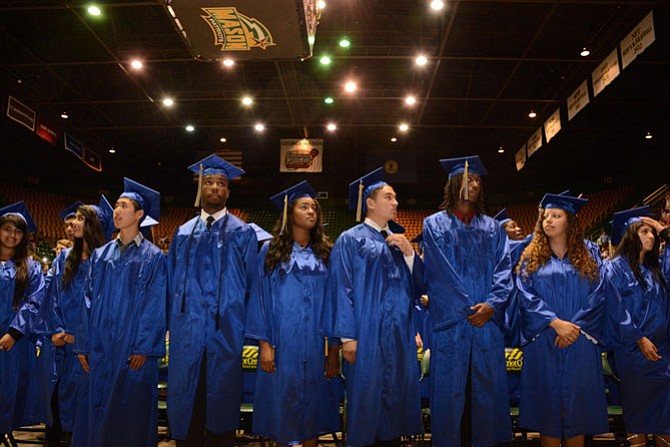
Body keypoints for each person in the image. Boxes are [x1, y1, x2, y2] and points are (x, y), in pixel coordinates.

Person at [321, 167, 423, 447]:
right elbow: (341, 289)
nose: (396, 203)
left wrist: (410, 254)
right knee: (365, 400)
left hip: (398, 335)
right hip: (365, 334)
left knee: (395, 398)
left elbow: (417, 289)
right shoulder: (350, 239)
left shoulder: (399, 242)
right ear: (370, 202)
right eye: (389, 197)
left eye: (396, 198)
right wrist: (347, 337)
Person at [167, 154, 259, 447]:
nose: (215, 188)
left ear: (228, 191)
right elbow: (171, 284)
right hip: (188, 330)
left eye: (221, 183)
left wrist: (245, 327)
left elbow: (252, 284)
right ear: (200, 189)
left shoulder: (242, 232)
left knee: (222, 393)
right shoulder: (183, 233)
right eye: (209, 183)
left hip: (226, 329)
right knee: (188, 394)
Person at [422, 156, 512, 447]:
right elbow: (439, 272)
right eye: (468, 178)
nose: (473, 184)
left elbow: (504, 269)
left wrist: (492, 305)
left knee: (485, 393)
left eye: (477, 180)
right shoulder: (433, 225)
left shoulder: (493, 228)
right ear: (453, 184)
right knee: (451, 397)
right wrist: (469, 308)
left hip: (486, 325)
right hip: (453, 325)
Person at [72, 179, 166, 447]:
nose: (116, 211)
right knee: (97, 407)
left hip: (133, 349)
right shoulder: (100, 256)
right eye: (115, 206)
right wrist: (83, 344)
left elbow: (155, 304)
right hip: (100, 346)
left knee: (131, 411)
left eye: (123, 206)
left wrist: (144, 346)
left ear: (139, 215)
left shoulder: (154, 257)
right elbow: (86, 300)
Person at [246, 180, 340, 447]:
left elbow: (335, 303)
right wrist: (264, 344)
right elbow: (259, 299)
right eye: (304, 206)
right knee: (282, 412)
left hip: (316, 344)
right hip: (281, 344)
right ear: (290, 213)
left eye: (314, 208)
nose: (312, 212)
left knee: (313, 411)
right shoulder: (270, 252)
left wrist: (333, 350)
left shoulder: (326, 253)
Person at [516, 193, 608, 447]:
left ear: (570, 221)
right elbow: (524, 293)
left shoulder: (589, 252)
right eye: (546, 216)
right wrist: (555, 323)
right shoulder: (532, 255)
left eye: (556, 216)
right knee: (548, 407)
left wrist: (574, 327)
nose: (549, 220)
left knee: (578, 408)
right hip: (545, 338)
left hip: (580, 339)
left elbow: (600, 291)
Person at [41, 197, 113, 447]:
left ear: (95, 225)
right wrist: (58, 331)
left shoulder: (106, 262)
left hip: (89, 352)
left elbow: (107, 310)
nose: (74, 224)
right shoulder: (64, 259)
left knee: (86, 414)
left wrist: (79, 338)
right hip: (61, 348)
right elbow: (52, 300)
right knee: (57, 411)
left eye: (82, 219)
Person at [596, 207, 670, 447]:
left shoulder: (656, 270)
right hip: (633, 353)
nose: (651, 236)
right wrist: (639, 338)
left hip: (662, 352)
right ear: (630, 235)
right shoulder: (614, 268)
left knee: (664, 418)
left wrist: (664, 232)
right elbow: (615, 309)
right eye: (645, 231)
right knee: (638, 415)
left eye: (653, 233)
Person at [0, 202, 46, 438]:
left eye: (18, 231)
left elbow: (34, 303)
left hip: (13, 344)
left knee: (6, 396)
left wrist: (14, 333)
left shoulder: (31, 268)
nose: (12, 235)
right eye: (7, 229)